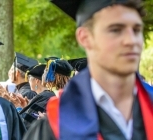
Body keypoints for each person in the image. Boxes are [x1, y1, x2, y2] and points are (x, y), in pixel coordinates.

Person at [25, 0, 151, 139]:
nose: (131, 40)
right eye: (116, 30)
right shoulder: (54, 128)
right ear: (84, 38)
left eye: (136, 30)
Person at [18, 64, 55, 128]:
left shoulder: (43, 97)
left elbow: (25, 124)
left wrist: (17, 107)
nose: (28, 81)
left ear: (36, 80)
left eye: (29, 78)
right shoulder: (47, 95)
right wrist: (25, 106)